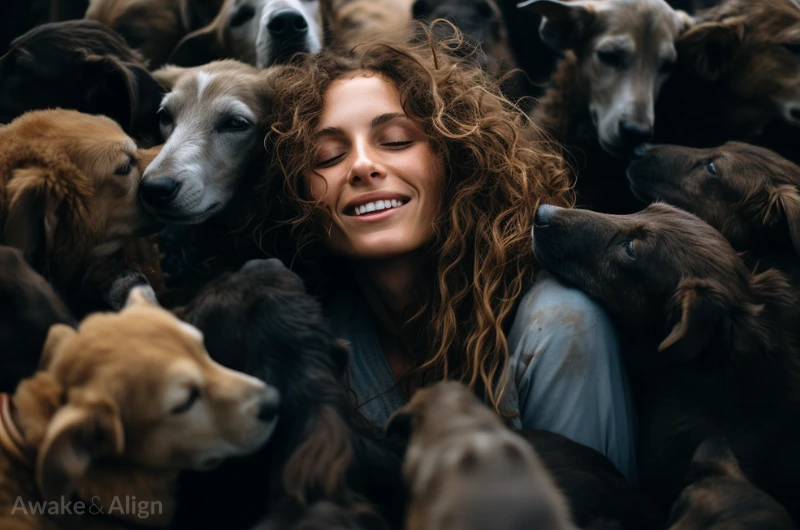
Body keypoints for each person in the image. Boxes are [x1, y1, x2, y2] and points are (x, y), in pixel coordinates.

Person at [265, 23, 637, 481]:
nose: (361, 166)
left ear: (457, 159)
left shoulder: (557, 329)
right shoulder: (319, 342)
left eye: (397, 141)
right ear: (299, 195)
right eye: (326, 156)